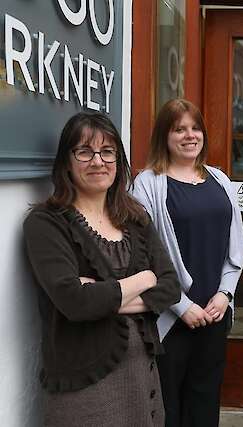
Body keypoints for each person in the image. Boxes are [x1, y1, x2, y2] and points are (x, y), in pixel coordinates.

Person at [23, 112, 181, 426]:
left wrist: (103, 294)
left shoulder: (135, 218)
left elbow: (170, 286)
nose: (98, 161)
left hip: (143, 381)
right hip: (85, 388)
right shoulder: (46, 223)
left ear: (119, 161)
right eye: (85, 151)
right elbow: (76, 303)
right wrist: (143, 279)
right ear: (66, 161)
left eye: (107, 152)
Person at [132, 98, 243, 427]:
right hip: (170, 319)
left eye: (195, 128)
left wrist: (225, 294)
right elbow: (142, 256)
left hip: (215, 313)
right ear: (164, 136)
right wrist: (180, 306)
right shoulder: (148, 184)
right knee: (169, 407)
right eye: (179, 129)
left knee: (205, 401)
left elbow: (235, 246)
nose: (189, 135)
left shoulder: (220, 180)